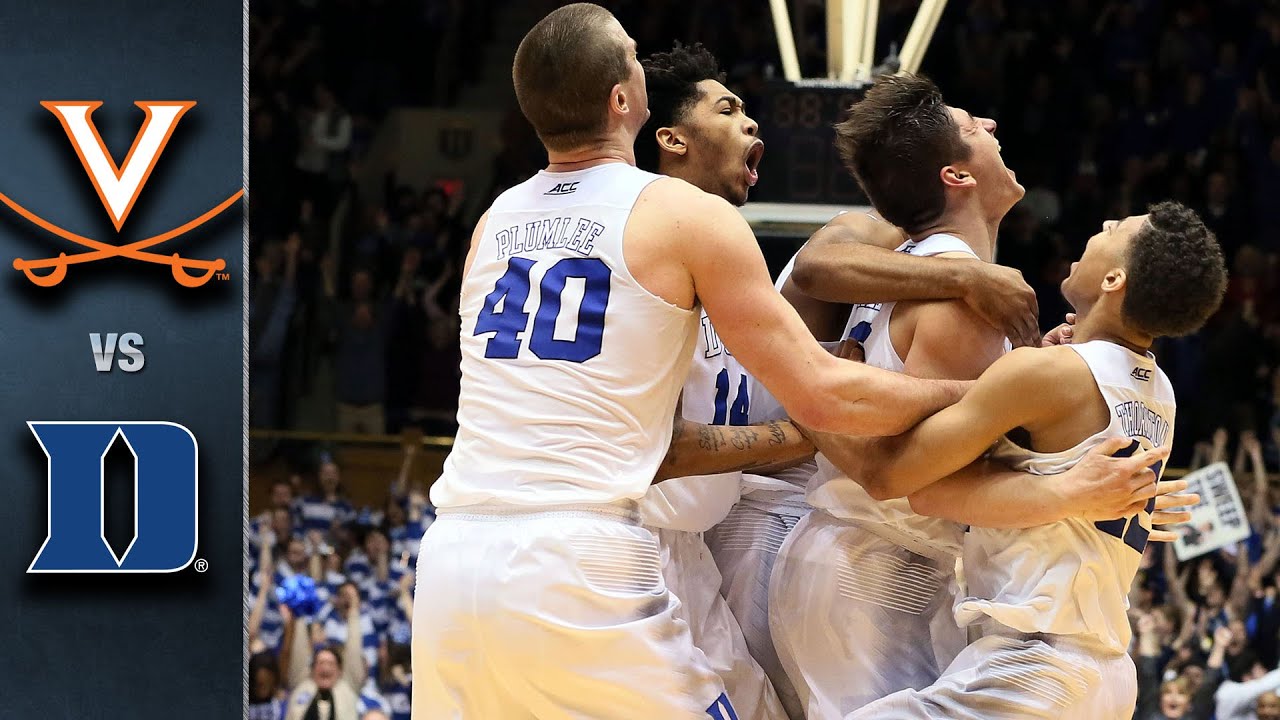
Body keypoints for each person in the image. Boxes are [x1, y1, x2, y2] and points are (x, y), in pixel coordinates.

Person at [411, 5, 1007, 718]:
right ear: (623, 101)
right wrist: (989, 392)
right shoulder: (681, 216)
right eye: (632, 54)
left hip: (452, 556)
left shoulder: (493, 220)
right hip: (590, 546)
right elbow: (822, 397)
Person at [768, 74, 1183, 718]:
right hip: (880, 568)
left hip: (864, 560)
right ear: (956, 177)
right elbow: (910, 476)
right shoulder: (960, 289)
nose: (990, 126)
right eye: (971, 128)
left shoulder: (918, 260)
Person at [829, 201, 1227, 718]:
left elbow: (898, 479)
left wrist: (806, 393)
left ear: (1112, 279)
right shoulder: (1160, 391)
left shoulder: (1049, 374)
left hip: (1037, 667)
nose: (1103, 223)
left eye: (1116, 229)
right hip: (1103, 670)